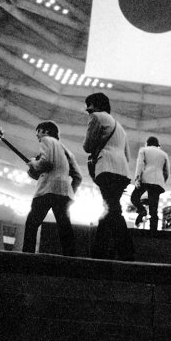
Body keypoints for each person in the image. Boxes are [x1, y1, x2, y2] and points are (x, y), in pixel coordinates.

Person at [83, 92, 134, 261]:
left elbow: (87, 145)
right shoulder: (120, 127)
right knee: (109, 208)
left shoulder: (97, 117)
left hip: (106, 168)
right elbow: (128, 156)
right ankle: (99, 251)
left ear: (97, 105)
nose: (87, 109)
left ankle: (127, 251)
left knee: (112, 210)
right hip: (122, 171)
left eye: (89, 104)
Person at [23, 121, 82, 256]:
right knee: (65, 228)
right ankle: (71, 259)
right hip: (64, 192)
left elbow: (47, 162)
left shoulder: (46, 140)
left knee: (31, 225)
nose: (37, 135)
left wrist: (33, 163)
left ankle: (26, 257)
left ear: (46, 131)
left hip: (46, 190)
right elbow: (78, 177)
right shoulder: (68, 152)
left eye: (38, 131)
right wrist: (70, 192)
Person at [131, 136, 170, 233]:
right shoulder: (164, 154)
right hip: (158, 182)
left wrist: (137, 178)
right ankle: (154, 232)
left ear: (147, 143)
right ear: (158, 145)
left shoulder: (143, 150)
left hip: (146, 179)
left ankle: (142, 210)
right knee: (154, 209)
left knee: (134, 198)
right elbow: (167, 171)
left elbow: (140, 164)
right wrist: (162, 180)